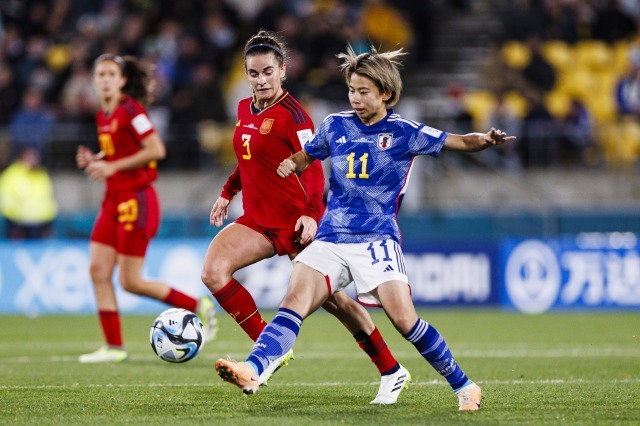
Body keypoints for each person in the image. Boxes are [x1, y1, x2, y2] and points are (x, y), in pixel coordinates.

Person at [214, 45, 516, 411]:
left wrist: (484, 140)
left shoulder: (404, 132)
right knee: (293, 303)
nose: (355, 99)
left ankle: (463, 384)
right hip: (331, 237)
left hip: (377, 239)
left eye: (363, 91)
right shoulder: (336, 125)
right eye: (352, 91)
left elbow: (459, 141)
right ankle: (253, 367)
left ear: (386, 93)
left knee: (405, 321)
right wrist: (291, 162)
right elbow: (310, 154)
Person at [201, 31, 410, 404]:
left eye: (268, 72)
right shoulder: (244, 109)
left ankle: (391, 369)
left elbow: (313, 167)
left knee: (339, 304)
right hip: (259, 219)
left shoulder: (295, 115)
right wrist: (227, 191)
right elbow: (249, 159)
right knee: (213, 271)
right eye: (253, 73)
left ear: (283, 70)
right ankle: (268, 352)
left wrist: (313, 214)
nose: (261, 80)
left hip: (299, 221)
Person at [76, 54, 217, 363]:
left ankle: (197, 303)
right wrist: (98, 160)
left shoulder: (131, 110)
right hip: (112, 200)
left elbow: (156, 149)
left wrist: (113, 168)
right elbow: (120, 149)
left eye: (111, 74)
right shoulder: (104, 114)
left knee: (130, 281)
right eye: (100, 74)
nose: (105, 79)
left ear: (123, 80)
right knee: (98, 271)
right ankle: (114, 347)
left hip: (136, 200)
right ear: (94, 79)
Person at [0, 146, 57, 239]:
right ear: (22, 157)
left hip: (40, 223)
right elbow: (6, 200)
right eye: (30, 156)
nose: (34, 160)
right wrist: (14, 219)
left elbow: (47, 198)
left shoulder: (41, 174)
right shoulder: (11, 175)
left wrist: (48, 217)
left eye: (35, 157)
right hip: (18, 224)